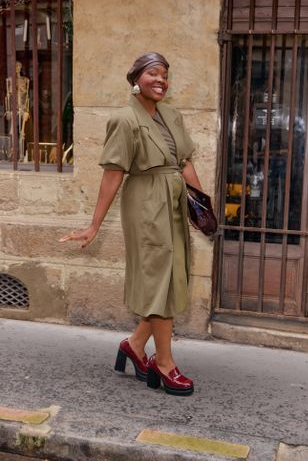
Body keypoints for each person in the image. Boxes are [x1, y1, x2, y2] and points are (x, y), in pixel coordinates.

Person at [59, 52, 202, 396]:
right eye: (153, 73)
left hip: (174, 203)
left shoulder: (171, 114)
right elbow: (113, 174)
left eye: (165, 75)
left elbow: (183, 163)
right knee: (158, 280)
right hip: (146, 205)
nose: (161, 80)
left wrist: (201, 205)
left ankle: (135, 345)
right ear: (136, 78)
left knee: (170, 275)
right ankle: (164, 363)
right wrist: (94, 225)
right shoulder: (124, 120)